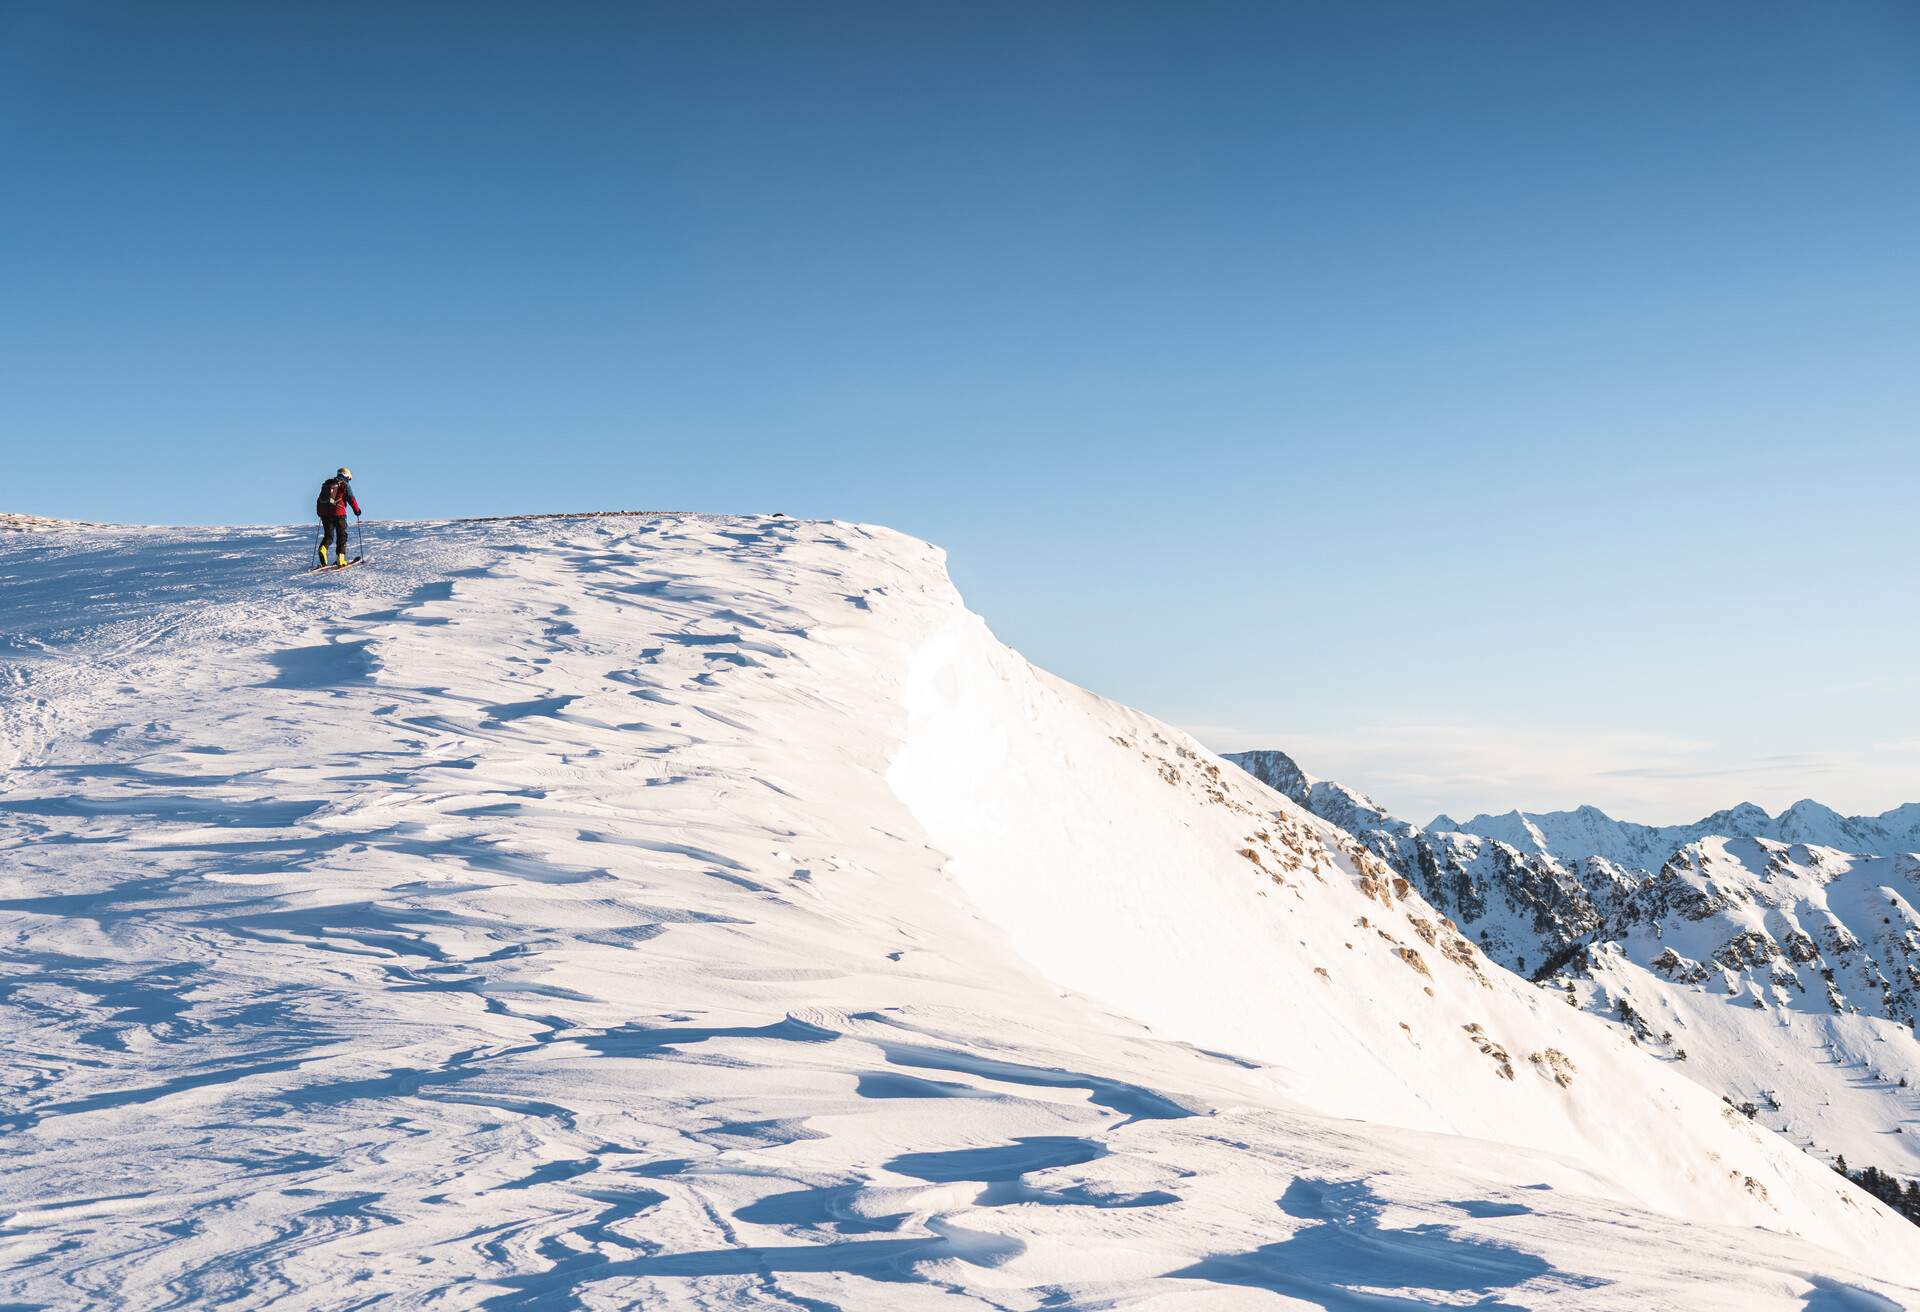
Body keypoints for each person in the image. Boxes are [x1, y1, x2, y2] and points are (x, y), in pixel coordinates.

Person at [315, 467, 361, 566]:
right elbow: (351, 499)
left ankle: (323, 549)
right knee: (341, 535)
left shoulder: (328, 484)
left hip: (325, 513)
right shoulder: (344, 484)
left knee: (329, 536)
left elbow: (320, 499)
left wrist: (320, 513)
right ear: (346, 476)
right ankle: (341, 558)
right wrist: (357, 511)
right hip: (339, 512)